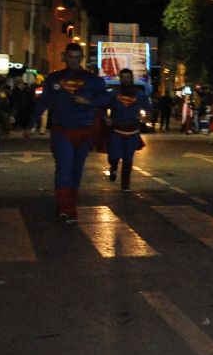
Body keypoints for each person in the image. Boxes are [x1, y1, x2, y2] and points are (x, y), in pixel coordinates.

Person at [27, 43, 112, 223]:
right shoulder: (54, 78)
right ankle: (65, 209)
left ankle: (68, 205)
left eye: (77, 57)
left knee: (76, 170)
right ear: (64, 57)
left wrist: (88, 101)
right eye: (70, 57)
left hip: (85, 129)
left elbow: (106, 98)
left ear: (81, 58)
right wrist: (31, 125)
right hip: (62, 130)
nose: (74, 61)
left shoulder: (93, 80)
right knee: (64, 168)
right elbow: (43, 102)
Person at [103, 68, 151, 189]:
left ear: (132, 78)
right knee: (114, 156)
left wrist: (146, 117)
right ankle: (113, 167)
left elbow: (149, 110)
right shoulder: (113, 94)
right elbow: (101, 106)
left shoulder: (140, 95)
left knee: (128, 160)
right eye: (123, 77)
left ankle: (125, 184)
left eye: (128, 77)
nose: (126, 80)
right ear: (120, 79)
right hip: (116, 131)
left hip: (133, 131)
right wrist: (105, 118)